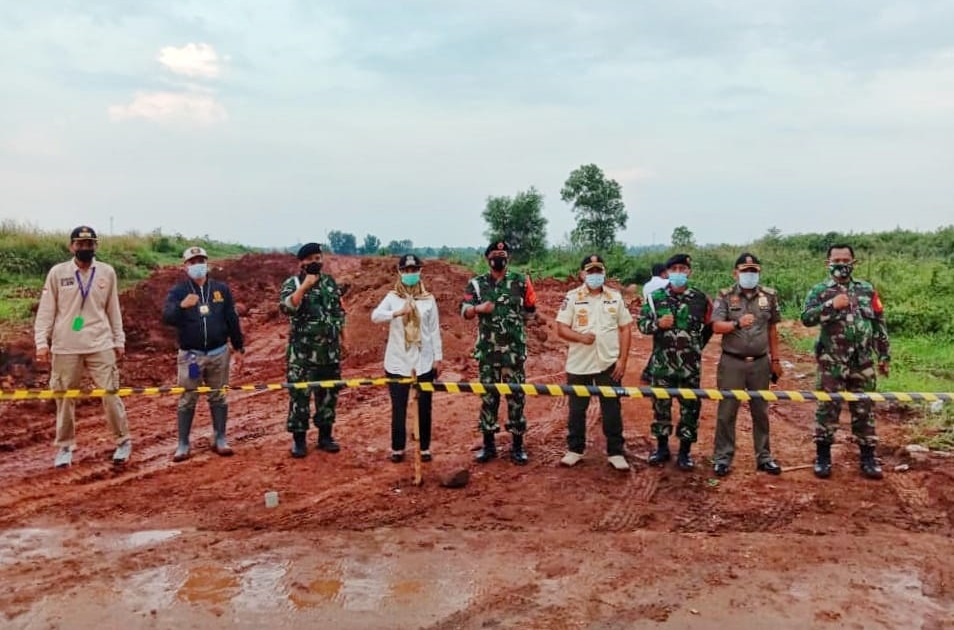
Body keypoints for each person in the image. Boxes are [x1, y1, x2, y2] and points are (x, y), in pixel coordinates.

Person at [34, 226, 132, 468]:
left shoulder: (106, 272)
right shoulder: (58, 273)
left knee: (110, 393)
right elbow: (46, 310)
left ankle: (123, 441)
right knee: (65, 398)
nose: (85, 249)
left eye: (90, 245)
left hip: (100, 342)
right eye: (80, 244)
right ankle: (65, 447)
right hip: (65, 345)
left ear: (95, 247)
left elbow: (113, 309)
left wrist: (119, 340)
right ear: (72, 247)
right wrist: (41, 342)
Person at [801, 244, 890, 480]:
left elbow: (879, 323)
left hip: (862, 362)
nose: (841, 264)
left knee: (864, 409)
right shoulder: (820, 291)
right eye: (836, 260)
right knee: (827, 409)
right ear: (828, 263)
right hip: (832, 362)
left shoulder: (867, 291)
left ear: (854, 262)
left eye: (845, 259)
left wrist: (883, 355)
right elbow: (806, 319)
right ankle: (823, 457)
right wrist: (830, 305)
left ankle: (868, 458)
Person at [161, 246, 246, 462]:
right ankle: (183, 443)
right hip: (191, 355)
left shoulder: (220, 289)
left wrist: (238, 344)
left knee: (218, 395)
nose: (197, 265)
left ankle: (219, 438)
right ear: (185, 266)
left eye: (201, 261)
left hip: (218, 353)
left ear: (207, 263)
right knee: (188, 396)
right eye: (192, 262)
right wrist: (181, 306)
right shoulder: (179, 291)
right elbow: (167, 317)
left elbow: (231, 318)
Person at [461, 241, 537, 465]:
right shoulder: (476, 284)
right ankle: (489, 446)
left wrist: (520, 319)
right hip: (488, 354)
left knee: (516, 398)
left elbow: (531, 309)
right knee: (488, 398)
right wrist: (478, 309)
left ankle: (517, 446)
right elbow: (464, 310)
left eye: (502, 255)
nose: (498, 258)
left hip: (513, 352)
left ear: (508, 259)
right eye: (494, 255)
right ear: (487, 259)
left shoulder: (521, 282)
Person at [555, 254, 633, 471]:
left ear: (604, 273)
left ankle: (616, 452)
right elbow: (560, 328)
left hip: (608, 362)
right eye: (590, 271)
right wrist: (580, 337)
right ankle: (575, 449)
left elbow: (626, 328)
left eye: (599, 271)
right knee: (577, 409)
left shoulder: (615, 297)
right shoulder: (572, 298)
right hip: (579, 363)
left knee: (611, 408)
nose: (595, 275)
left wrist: (623, 360)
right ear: (582, 274)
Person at [709, 253, 783, 477]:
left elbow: (772, 329)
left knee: (760, 411)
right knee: (727, 411)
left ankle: (764, 457)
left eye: (754, 271)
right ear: (736, 273)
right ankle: (722, 458)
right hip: (732, 362)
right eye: (745, 271)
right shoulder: (725, 295)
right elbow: (716, 326)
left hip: (760, 363)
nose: (749, 275)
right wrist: (736, 323)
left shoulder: (769, 296)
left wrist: (776, 360)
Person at [636, 253, 712, 471]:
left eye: (683, 269)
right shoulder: (655, 297)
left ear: (689, 272)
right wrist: (657, 324)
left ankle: (685, 453)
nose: (679, 272)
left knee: (690, 408)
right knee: (661, 407)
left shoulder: (700, 299)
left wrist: (695, 348)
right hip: (662, 365)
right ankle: (661, 448)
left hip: (690, 367)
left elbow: (709, 326)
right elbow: (642, 324)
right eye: (674, 269)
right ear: (667, 272)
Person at [371, 253, 443, 463]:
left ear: (420, 271)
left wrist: (438, 358)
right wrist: (397, 313)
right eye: (406, 271)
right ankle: (398, 447)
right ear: (400, 272)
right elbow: (375, 316)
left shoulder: (428, 299)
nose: (410, 274)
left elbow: (434, 330)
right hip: (397, 361)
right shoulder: (392, 297)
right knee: (399, 406)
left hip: (423, 360)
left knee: (424, 406)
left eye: (414, 270)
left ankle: (424, 447)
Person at [279, 243, 346, 458]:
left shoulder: (329, 282)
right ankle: (299, 440)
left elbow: (338, 311)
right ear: (301, 263)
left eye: (318, 257)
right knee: (300, 395)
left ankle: (325, 436)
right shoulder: (293, 283)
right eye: (310, 259)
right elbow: (287, 308)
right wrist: (304, 287)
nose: (315, 262)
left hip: (329, 351)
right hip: (303, 354)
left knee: (328, 395)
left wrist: (343, 339)